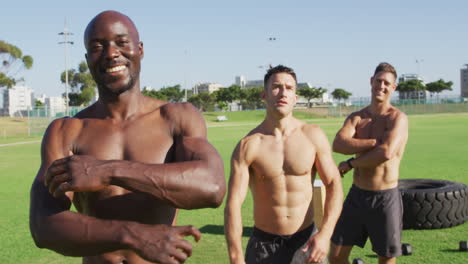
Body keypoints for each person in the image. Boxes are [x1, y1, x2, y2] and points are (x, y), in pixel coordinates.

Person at [29, 10, 226, 264]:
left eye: (122, 43)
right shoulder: (66, 131)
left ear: (140, 50)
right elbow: (43, 225)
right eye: (97, 46)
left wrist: (108, 171)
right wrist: (133, 235)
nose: (111, 53)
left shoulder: (177, 117)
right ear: (88, 58)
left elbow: (212, 187)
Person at [224, 65, 343, 264]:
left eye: (289, 88)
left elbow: (334, 184)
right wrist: (236, 257)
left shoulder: (312, 136)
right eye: (276, 87)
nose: (283, 92)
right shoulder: (249, 145)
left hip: (306, 242)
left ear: (296, 97)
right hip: (264, 245)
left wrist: (324, 235)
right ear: (264, 94)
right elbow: (233, 204)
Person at [328, 62, 409, 264]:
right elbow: (338, 144)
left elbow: (387, 153)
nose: (381, 86)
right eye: (378, 81)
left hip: (385, 198)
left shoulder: (398, 118)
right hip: (357, 195)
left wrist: (352, 163)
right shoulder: (357, 118)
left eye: (387, 83)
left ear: (393, 88)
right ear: (371, 82)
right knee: (336, 256)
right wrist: (373, 142)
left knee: (386, 259)